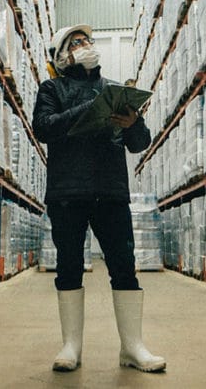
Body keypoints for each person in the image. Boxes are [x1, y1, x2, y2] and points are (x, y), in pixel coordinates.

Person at [32, 23, 166, 373]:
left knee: (123, 265)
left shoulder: (113, 89)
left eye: (88, 40)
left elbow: (140, 144)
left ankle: (132, 347)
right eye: (77, 42)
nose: (86, 45)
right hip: (68, 191)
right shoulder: (51, 88)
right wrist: (91, 109)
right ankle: (71, 346)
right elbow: (44, 126)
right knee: (70, 265)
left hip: (110, 191)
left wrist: (131, 122)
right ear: (61, 55)